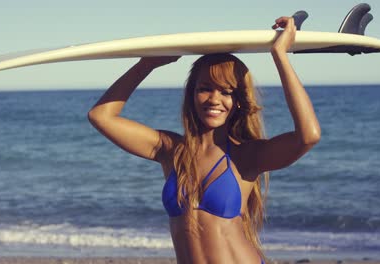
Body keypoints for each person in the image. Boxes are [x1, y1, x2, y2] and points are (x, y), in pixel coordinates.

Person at [88, 16, 320, 264]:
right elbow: (101, 116)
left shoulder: (246, 156)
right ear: (192, 95)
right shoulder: (172, 150)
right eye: (205, 88)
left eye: (226, 91)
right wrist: (146, 64)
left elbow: (308, 135)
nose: (214, 99)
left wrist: (280, 55)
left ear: (239, 100)